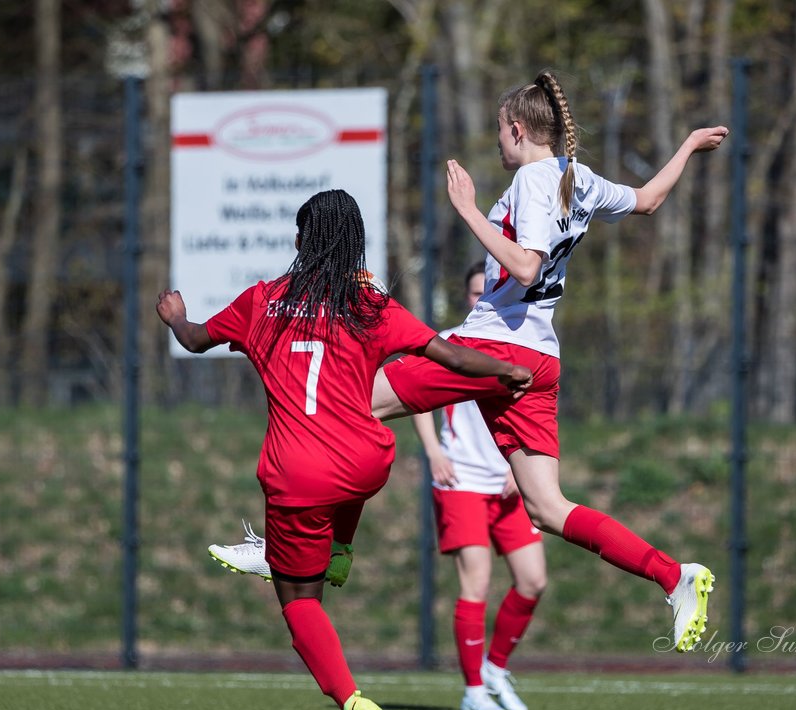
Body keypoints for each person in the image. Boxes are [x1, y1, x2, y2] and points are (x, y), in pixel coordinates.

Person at [216, 71, 727, 654]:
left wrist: (468, 210)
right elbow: (649, 200)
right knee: (549, 508)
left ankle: (314, 548)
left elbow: (528, 266)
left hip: (491, 348)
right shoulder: (577, 178)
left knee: (343, 407)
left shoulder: (536, 181)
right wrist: (686, 145)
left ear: (517, 130)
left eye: (499, 134)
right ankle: (673, 575)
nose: (497, 144)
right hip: (539, 357)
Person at [158, 189, 532, 710]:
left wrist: (175, 314)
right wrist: (508, 370)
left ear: (303, 241)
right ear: (354, 243)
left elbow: (196, 339)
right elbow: (449, 354)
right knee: (338, 500)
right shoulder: (369, 304)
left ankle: (353, 702)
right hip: (365, 461)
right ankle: (340, 549)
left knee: (300, 603)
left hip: (296, 475)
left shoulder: (262, 300)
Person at [411, 261, 545, 710]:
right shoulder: (449, 343)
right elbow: (412, 394)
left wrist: (522, 463)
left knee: (533, 581)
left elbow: (533, 413)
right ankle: (472, 690)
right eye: (473, 292)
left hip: (509, 484)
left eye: (486, 289)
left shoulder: (524, 343)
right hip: (462, 481)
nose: (480, 297)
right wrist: (433, 451)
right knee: (477, 583)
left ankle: (495, 668)